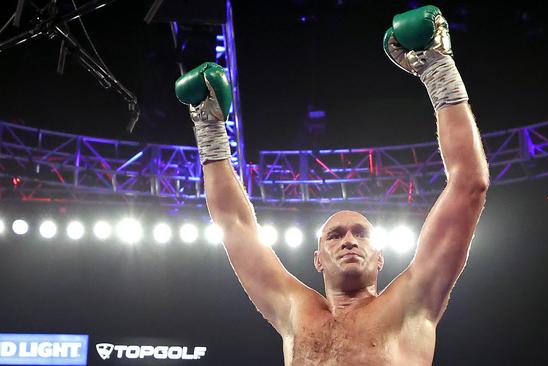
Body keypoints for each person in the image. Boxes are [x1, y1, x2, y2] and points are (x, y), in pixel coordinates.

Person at [174, 5, 488, 365]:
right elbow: (234, 226)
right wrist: (209, 130)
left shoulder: (411, 303)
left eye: (361, 233)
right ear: (318, 259)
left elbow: (469, 185)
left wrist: (438, 69)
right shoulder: (295, 312)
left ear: (381, 257)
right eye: (335, 235)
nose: (350, 240)